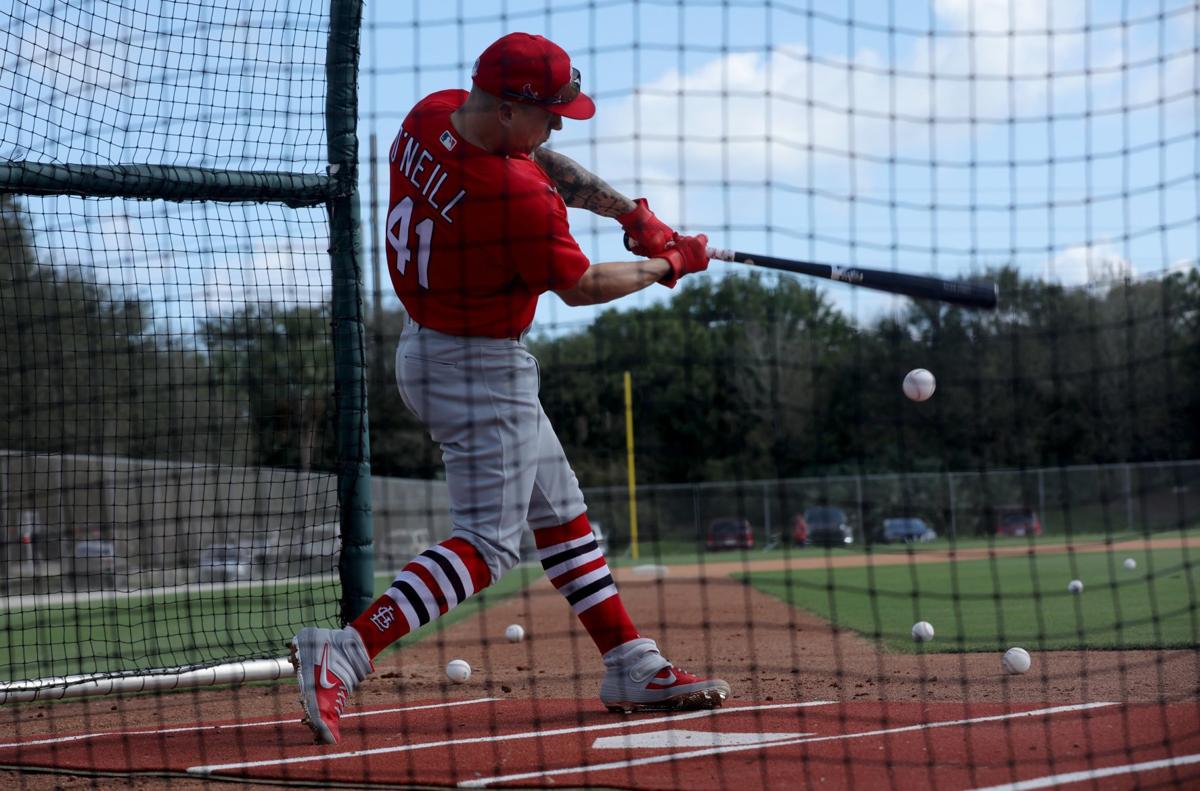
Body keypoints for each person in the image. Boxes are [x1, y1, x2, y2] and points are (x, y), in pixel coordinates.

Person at [290, 32, 724, 746]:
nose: (558, 123)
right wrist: (671, 262)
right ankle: (345, 649)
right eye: (550, 111)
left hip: (428, 345)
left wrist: (630, 216)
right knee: (488, 545)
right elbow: (583, 287)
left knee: (559, 511)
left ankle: (628, 660)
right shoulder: (516, 196)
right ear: (510, 108)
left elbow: (542, 158)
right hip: (479, 369)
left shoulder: (430, 115)